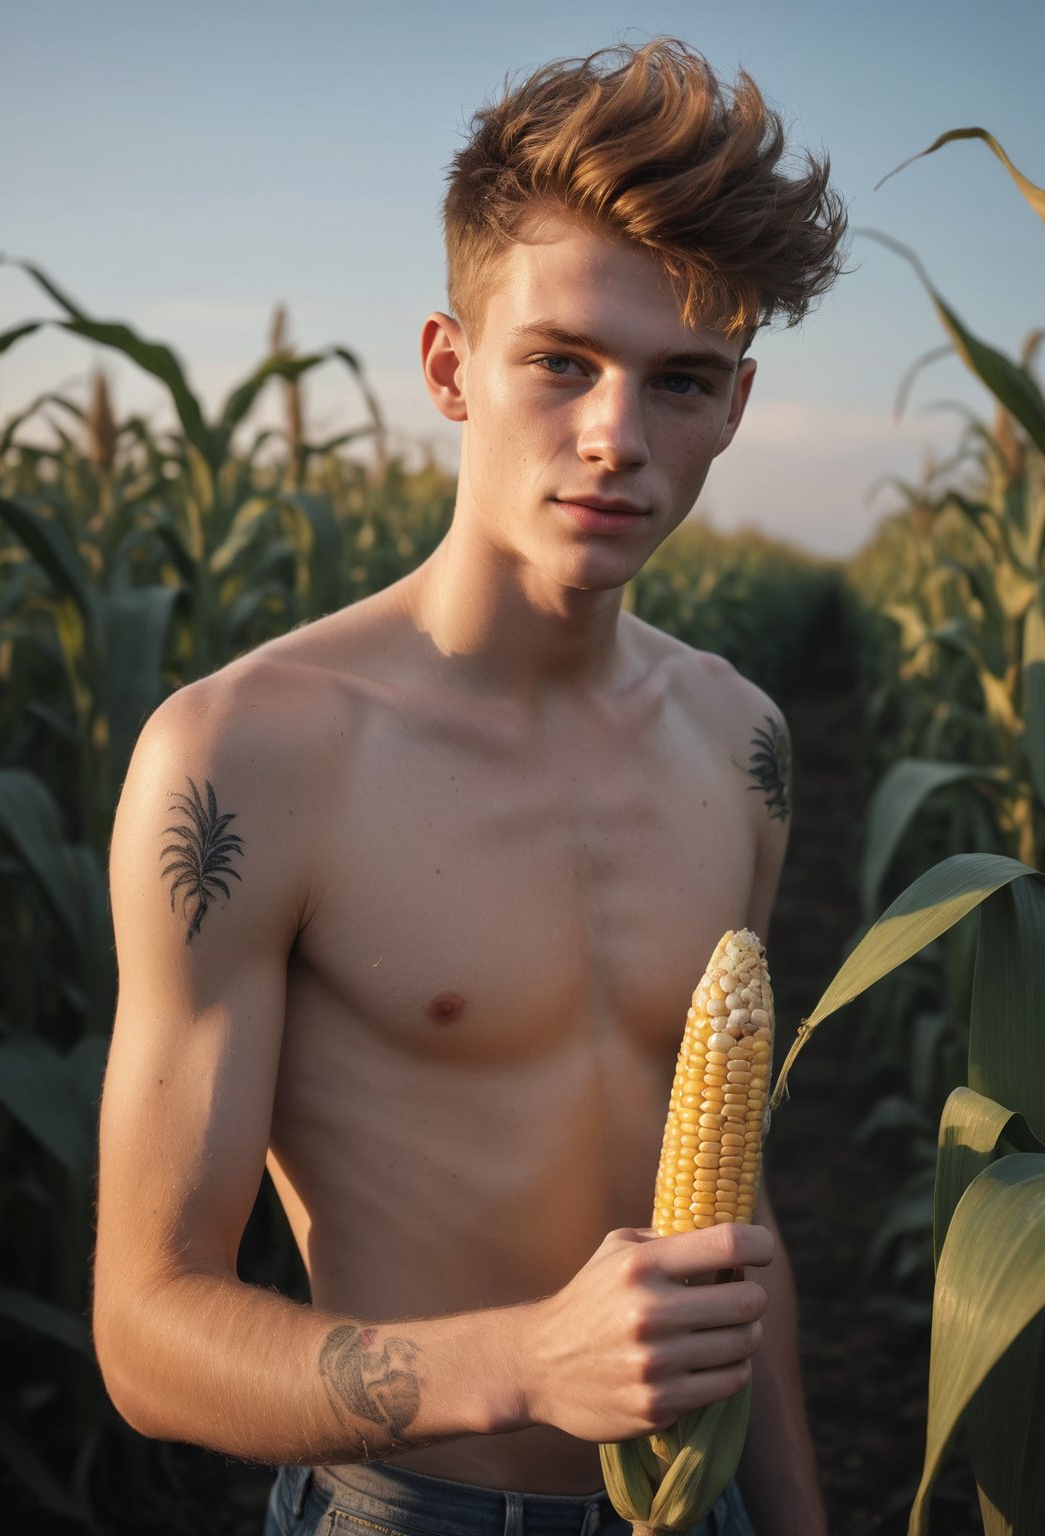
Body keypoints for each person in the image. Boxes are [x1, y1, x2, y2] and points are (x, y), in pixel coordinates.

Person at [93, 37, 844, 1536]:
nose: (617, 439)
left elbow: (731, 1220)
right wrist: (521, 1362)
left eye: (681, 382)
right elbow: (146, 1330)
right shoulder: (244, 758)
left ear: (740, 404)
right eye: (561, 362)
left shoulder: (741, 742)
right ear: (449, 364)